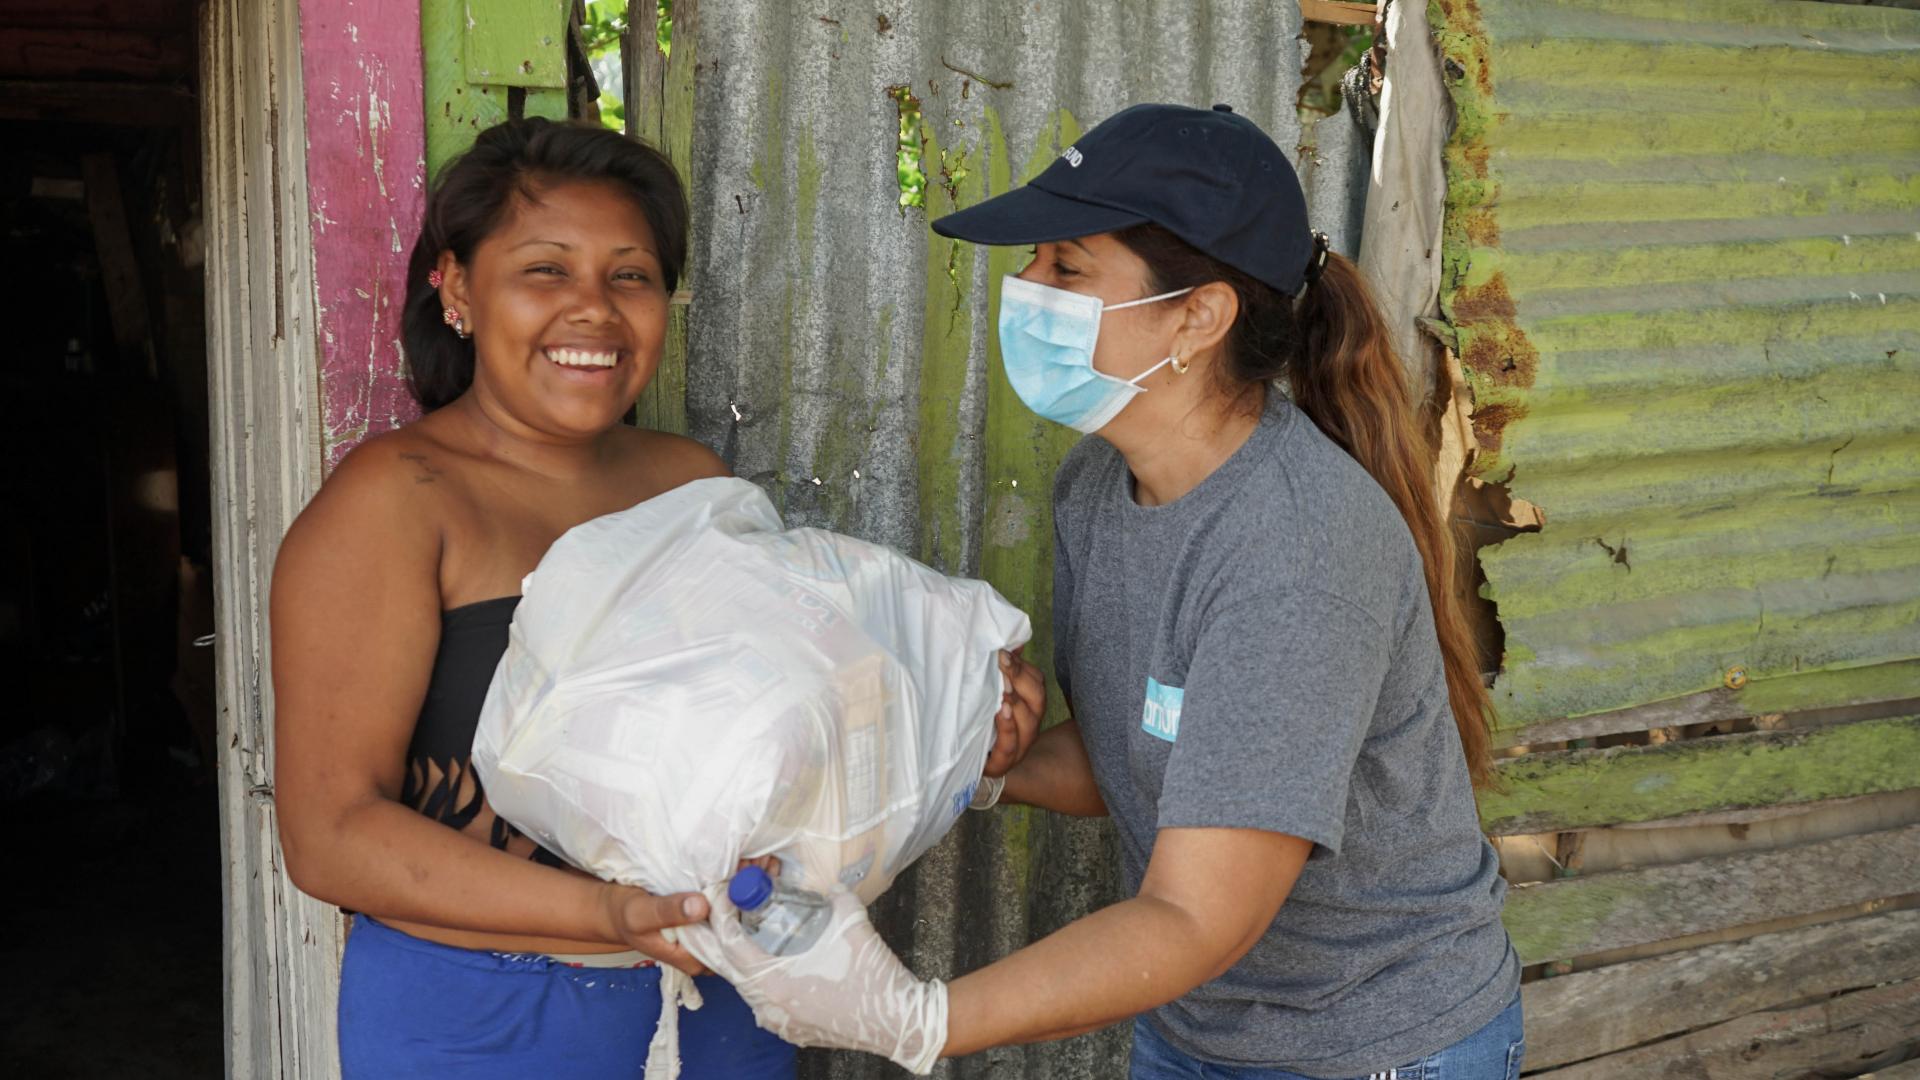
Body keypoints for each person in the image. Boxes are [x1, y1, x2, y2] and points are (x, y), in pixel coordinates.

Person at [704, 103, 1523, 1080]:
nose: (1026, 288)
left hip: (1369, 1044)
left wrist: (917, 1018)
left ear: (1198, 318)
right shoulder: (1097, 487)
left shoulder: (1294, 556)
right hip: (1198, 1027)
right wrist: (975, 758)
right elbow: (1144, 759)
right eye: (1035, 262)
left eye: (1067, 267)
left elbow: (1192, 914)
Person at [269, 118, 801, 1078]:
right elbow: (330, 835)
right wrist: (610, 914)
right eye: (546, 271)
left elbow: (767, 738)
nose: (593, 310)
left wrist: (954, 726)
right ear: (459, 290)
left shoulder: (691, 485)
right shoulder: (396, 500)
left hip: (718, 1002)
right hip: (481, 1019)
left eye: (629, 275)